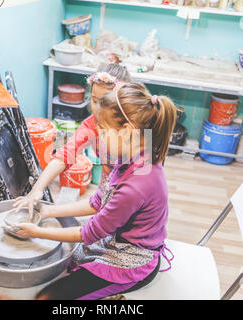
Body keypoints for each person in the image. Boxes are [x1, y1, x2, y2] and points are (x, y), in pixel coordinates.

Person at [12, 82, 177, 300]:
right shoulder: (134, 155)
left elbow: (88, 234)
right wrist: (47, 211)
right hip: (116, 239)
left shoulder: (138, 184)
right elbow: (98, 202)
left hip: (132, 261)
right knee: (62, 262)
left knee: (47, 298)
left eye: (103, 129)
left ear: (126, 132)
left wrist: (36, 232)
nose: (97, 135)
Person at [13, 63, 132, 214]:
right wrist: (37, 189)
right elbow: (66, 152)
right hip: (107, 189)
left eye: (106, 102)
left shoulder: (136, 131)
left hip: (131, 199)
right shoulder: (92, 123)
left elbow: (142, 183)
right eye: (95, 100)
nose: (99, 109)